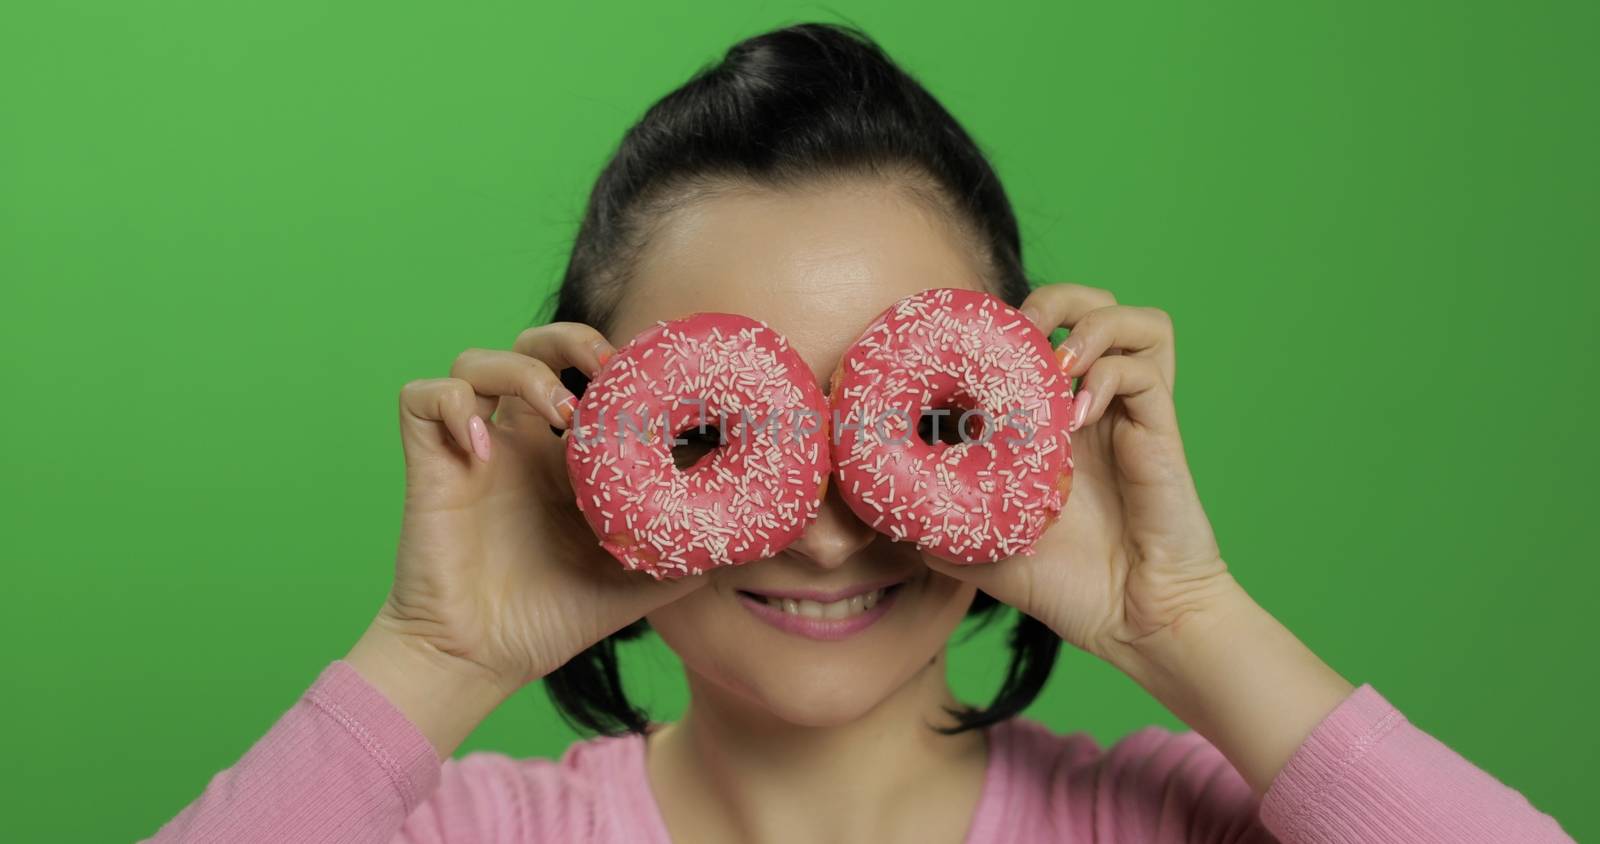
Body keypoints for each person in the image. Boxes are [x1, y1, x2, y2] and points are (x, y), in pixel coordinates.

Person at [145, 22, 1573, 844]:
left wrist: (1187, 620)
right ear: (581, 438)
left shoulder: (1185, 825)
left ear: (1045, 422)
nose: (828, 528)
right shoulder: (463, 832)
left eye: (922, 419)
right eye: (716, 438)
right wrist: (434, 661)